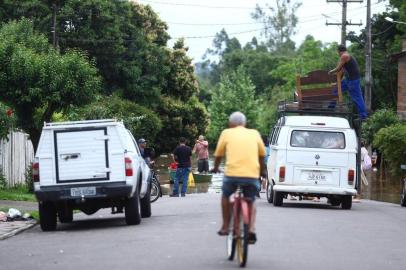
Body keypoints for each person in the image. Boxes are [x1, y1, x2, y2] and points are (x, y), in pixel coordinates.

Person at [211, 112, 266, 244]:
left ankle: (225, 226)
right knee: (251, 200)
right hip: (252, 175)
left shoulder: (226, 133)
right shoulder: (254, 133)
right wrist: (262, 171)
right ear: (244, 123)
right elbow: (262, 155)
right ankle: (251, 229)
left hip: (232, 176)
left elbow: (218, 154)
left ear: (231, 124)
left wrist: (216, 167)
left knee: (225, 195)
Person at [329, 44, 368, 120]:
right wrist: (338, 82)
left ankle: (363, 116)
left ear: (339, 51)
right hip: (348, 80)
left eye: (338, 52)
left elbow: (337, 69)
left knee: (357, 98)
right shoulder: (345, 57)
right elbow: (342, 71)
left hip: (353, 81)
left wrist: (330, 72)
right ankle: (330, 108)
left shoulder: (344, 56)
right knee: (336, 90)